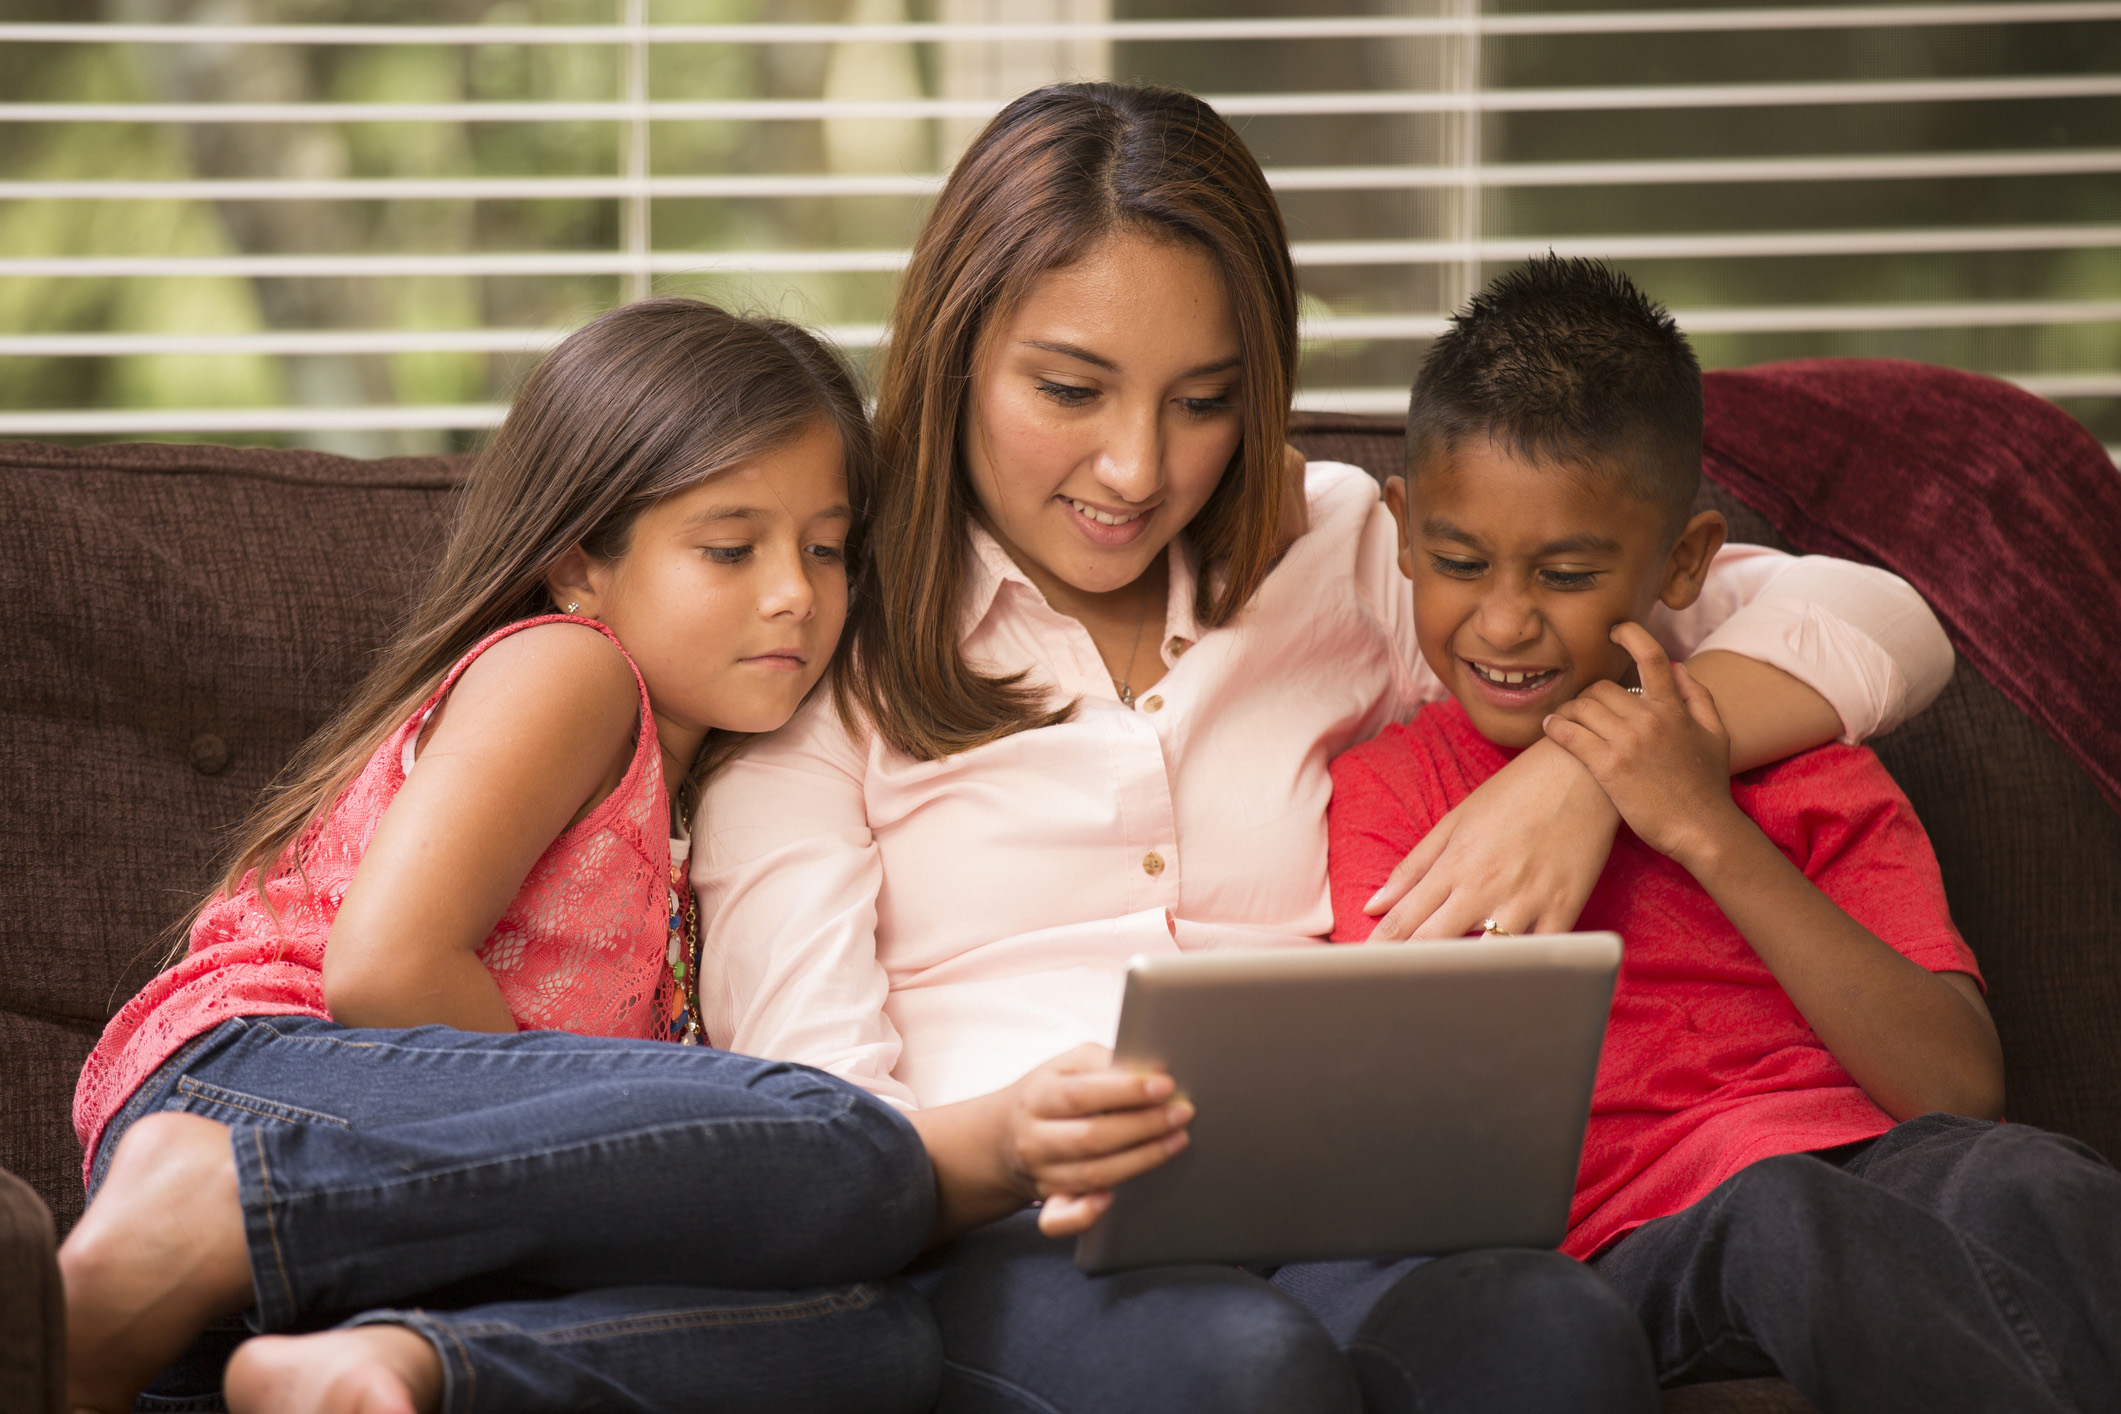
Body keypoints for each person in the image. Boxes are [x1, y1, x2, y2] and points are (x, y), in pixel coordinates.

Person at [694, 84, 1959, 1413]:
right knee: (1247, 1368)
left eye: (1203, 400)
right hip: (1011, 1241)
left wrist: (1585, 761)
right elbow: (814, 1131)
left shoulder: (1344, 554)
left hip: (1341, 1213)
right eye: (1070, 389)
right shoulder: (820, 634)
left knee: (1552, 1324)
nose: (1134, 468)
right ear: (956, 351)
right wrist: (1006, 1147)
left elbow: (1880, 622)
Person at [60, 300, 942, 1414]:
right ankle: (216, 1206)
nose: (796, 593)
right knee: (841, 1141)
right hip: (253, 1085)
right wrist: (612, 1155)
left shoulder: (713, 806)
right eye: (731, 547)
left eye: (826, 548)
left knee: (879, 1334)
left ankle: (391, 1371)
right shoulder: (571, 672)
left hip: (331, 1262)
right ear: (580, 564)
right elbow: (383, 966)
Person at [1327, 256, 2121, 1414]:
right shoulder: (1396, 795)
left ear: (1687, 560)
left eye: (1567, 572)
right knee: (1783, 1216)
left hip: (1889, 1170)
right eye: (1459, 564)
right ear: (1401, 533)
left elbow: (1956, 1085)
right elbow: (1418, 1126)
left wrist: (1704, 824)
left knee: (2036, 1182)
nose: (1502, 619)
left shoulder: (1802, 754)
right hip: (1635, 1242)